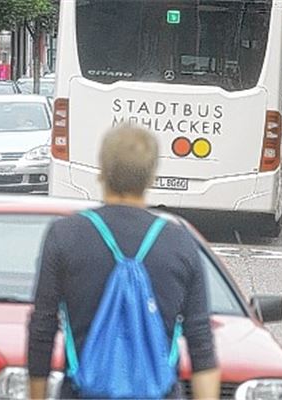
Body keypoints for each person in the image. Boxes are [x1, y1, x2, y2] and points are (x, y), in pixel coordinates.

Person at [28, 125, 220, 399]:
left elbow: (42, 329)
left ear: (103, 171)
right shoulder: (179, 242)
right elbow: (201, 342)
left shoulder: (66, 236)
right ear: (151, 176)